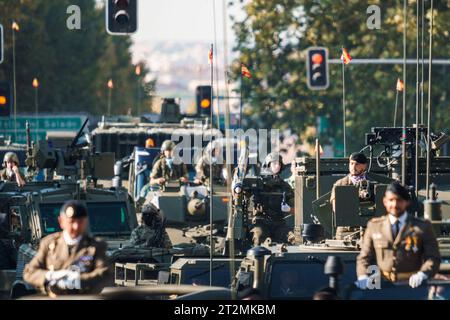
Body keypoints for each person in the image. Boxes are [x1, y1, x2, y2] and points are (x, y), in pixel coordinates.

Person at [356, 182, 441, 289]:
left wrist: (423, 274)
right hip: (381, 286)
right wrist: (363, 275)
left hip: (411, 286)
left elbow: (433, 257)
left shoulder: (422, 227)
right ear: (385, 202)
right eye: (391, 200)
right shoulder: (374, 226)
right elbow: (364, 257)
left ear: (407, 202)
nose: (395, 205)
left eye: (399, 200)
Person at [23, 200, 110, 296]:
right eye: (71, 222)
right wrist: (51, 276)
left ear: (85, 221)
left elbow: (104, 274)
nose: (76, 227)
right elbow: (30, 272)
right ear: (61, 222)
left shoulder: (95, 246)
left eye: (80, 222)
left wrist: (77, 280)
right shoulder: (49, 243)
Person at [250, 152, 295, 246]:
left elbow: (295, 208)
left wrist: (289, 209)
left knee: (293, 238)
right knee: (258, 238)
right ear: (268, 165)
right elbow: (249, 199)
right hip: (261, 222)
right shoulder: (259, 183)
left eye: (279, 163)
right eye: (274, 163)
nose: (277, 166)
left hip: (279, 223)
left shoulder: (285, 186)